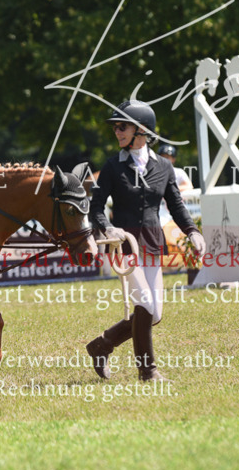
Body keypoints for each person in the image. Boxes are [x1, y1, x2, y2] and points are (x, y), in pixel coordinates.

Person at [86, 100, 206, 382]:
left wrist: (193, 231)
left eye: (122, 126)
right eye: (115, 127)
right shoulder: (112, 167)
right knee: (146, 307)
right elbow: (96, 208)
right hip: (124, 245)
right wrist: (107, 229)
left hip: (152, 243)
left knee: (154, 315)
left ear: (141, 129)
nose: (117, 132)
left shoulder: (164, 167)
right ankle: (148, 371)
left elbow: (176, 205)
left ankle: (102, 345)